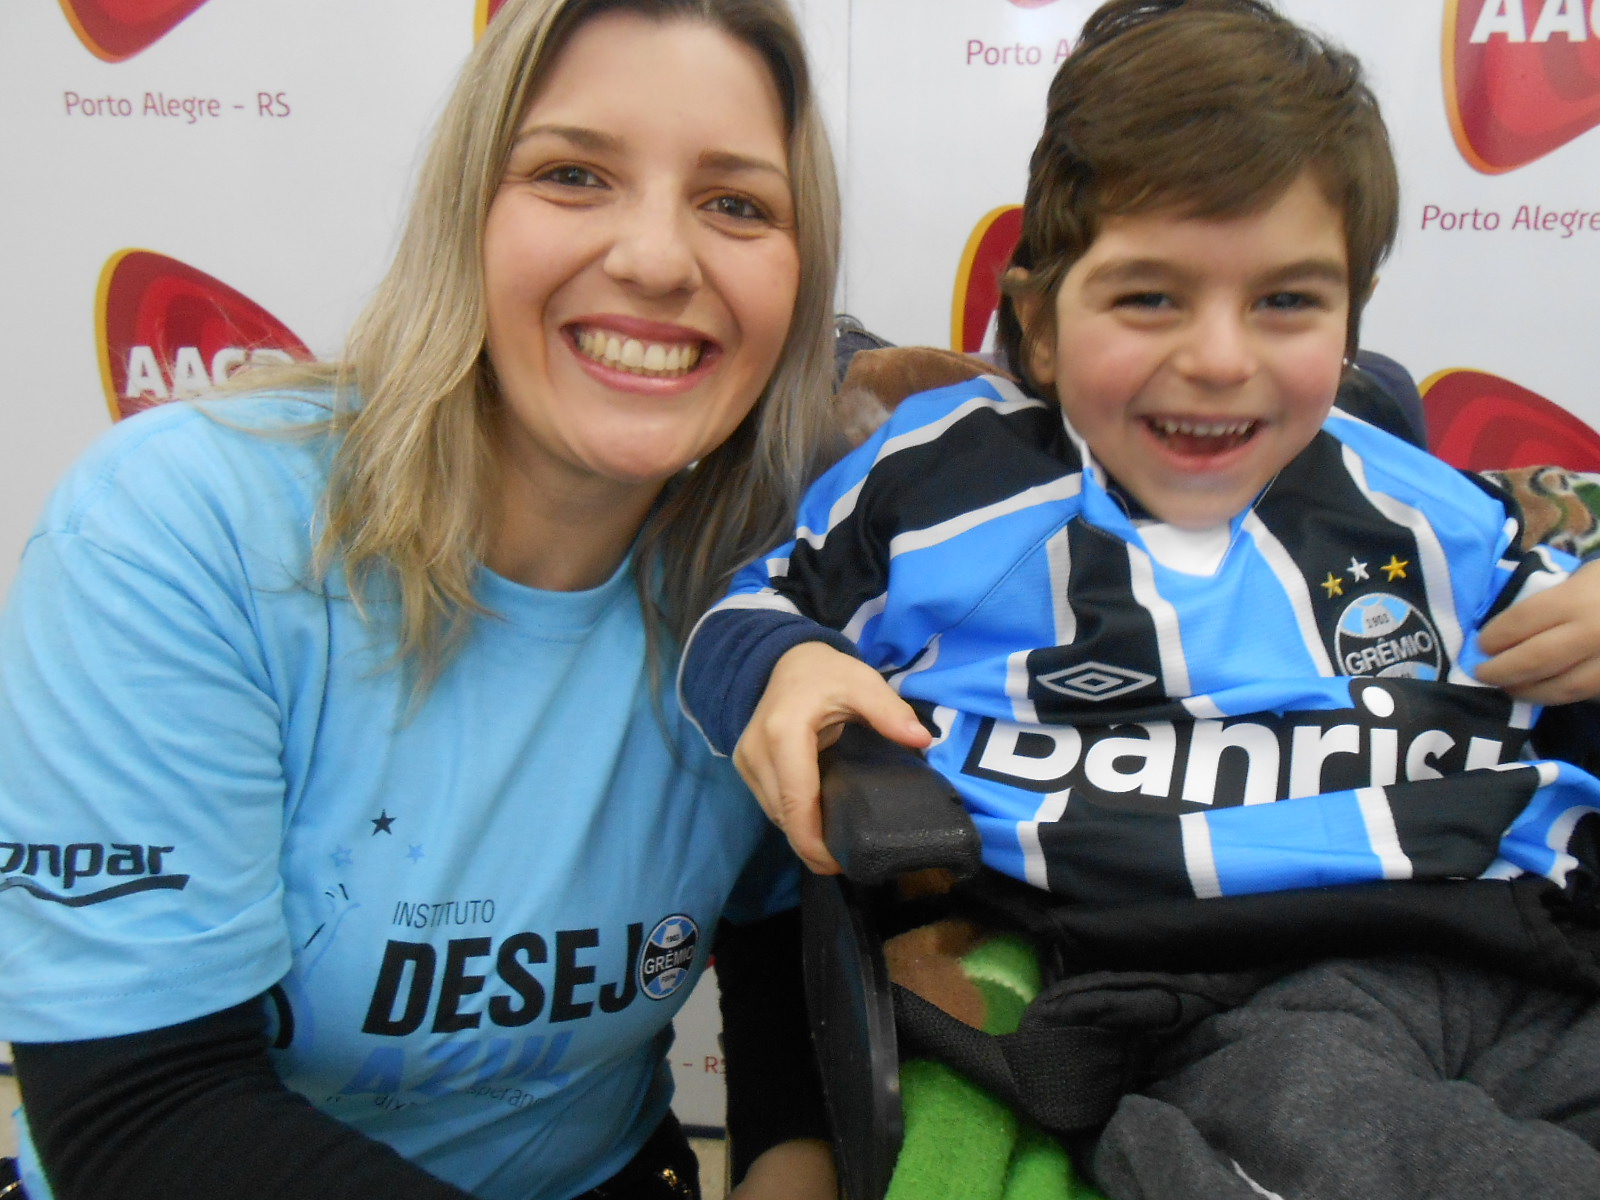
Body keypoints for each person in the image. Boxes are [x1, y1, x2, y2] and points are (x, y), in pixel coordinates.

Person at [678, 1, 1600, 1195]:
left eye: (1285, 303)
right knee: (1321, 1123)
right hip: (1233, 986)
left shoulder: (1427, 506)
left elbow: (1561, 652)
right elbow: (746, 609)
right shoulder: (944, 485)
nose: (1220, 358)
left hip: (1522, 936)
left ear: (1349, 319)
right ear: (1040, 324)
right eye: (1150, 298)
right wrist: (787, 664)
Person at [0, 1, 842, 1198]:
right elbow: (141, 1114)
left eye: (737, 203)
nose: (659, 258)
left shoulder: (769, 582)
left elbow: (783, 973)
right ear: (464, 217)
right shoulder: (183, 528)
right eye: (572, 174)